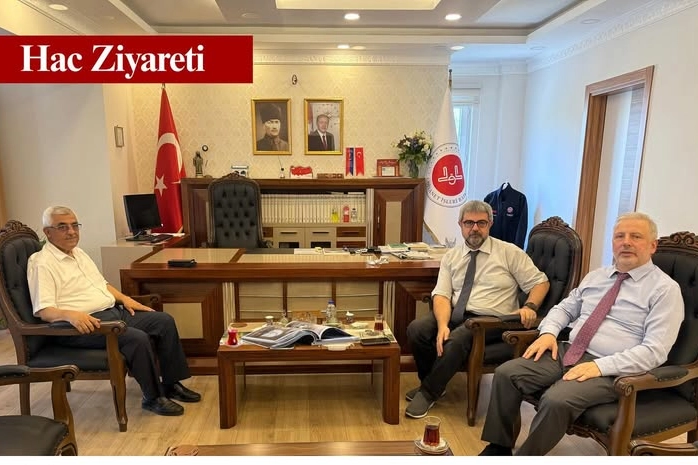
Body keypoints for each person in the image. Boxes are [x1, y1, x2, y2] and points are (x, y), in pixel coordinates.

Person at [479, 212, 684, 456]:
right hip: (569, 350)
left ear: (652, 246)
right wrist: (548, 333)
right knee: (506, 373)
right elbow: (565, 309)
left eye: (636, 236)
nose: (626, 242)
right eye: (620, 236)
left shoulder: (665, 290)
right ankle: (498, 447)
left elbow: (655, 351)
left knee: (557, 400)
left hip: (614, 369)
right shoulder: (597, 276)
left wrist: (599, 367)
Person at [27, 206, 201, 417]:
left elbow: (102, 285)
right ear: (48, 232)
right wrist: (71, 315)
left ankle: (171, 384)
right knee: (137, 338)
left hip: (111, 312)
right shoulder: (42, 263)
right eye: (62, 227)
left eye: (74, 225)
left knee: (163, 321)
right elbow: (44, 310)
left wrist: (125, 299)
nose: (71, 232)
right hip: (82, 325)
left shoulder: (79, 253)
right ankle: (153, 397)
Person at [405, 200, 550, 419]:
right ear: (460, 225)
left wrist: (530, 306)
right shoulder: (451, 257)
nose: (475, 228)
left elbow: (541, 282)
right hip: (457, 314)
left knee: (458, 338)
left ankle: (427, 393)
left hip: (494, 321)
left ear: (490, 224)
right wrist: (443, 325)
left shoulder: (509, 252)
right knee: (417, 329)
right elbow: (442, 294)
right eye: (469, 223)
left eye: (481, 223)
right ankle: (433, 383)